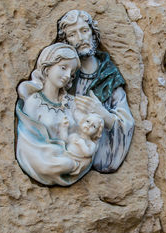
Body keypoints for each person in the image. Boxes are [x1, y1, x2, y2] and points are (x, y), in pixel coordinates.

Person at [55, 10, 135, 173]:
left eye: (84, 31)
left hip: (97, 150)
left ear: (93, 33)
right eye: (72, 34)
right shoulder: (63, 75)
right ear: (66, 41)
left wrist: (102, 113)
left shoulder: (109, 75)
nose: (81, 38)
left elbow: (127, 123)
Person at [16, 43, 95, 186]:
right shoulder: (34, 102)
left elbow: (88, 133)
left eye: (71, 73)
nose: (66, 76)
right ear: (47, 67)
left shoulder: (72, 104)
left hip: (71, 159)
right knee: (60, 164)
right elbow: (28, 142)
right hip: (45, 159)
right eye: (63, 67)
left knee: (73, 161)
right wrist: (60, 153)